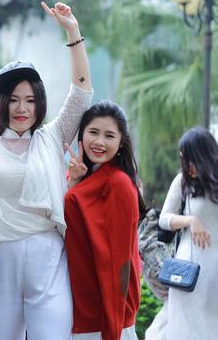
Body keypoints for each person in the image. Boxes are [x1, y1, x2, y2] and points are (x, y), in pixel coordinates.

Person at [0, 1, 93, 340]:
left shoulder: (52, 137)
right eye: (13, 99)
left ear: (39, 103)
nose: (21, 108)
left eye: (29, 100)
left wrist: (72, 31)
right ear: (1, 104)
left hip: (49, 257)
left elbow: (81, 92)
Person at [64, 101, 147, 340]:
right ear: (81, 135)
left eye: (109, 136)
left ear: (121, 142)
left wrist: (113, 325)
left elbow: (118, 259)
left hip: (103, 315)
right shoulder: (83, 176)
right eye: (93, 132)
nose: (99, 142)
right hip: (80, 304)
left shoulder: (118, 184)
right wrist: (73, 183)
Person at [156, 127, 218, 339]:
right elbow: (163, 219)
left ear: (204, 156)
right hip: (188, 269)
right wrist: (191, 220)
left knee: (215, 329)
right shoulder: (183, 182)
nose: (185, 164)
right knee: (183, 330)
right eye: (183, 158)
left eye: (188, 158)